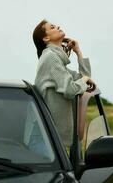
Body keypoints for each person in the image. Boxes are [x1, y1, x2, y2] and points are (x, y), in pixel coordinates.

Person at [33, 19, 95, 147]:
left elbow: (85, 77)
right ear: (46, 38)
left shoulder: (56, 60)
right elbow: (71, 90)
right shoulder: (51, 57)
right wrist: (84, 80)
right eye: (52, 27)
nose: (58, 26)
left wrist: (78, 51)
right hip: (45, 140)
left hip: (49, 139)